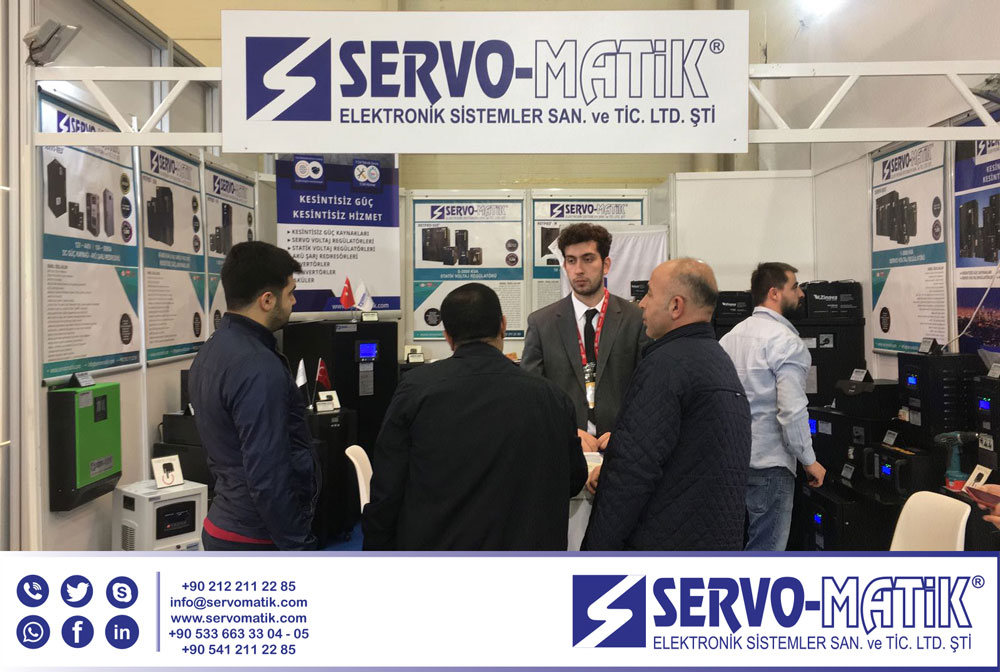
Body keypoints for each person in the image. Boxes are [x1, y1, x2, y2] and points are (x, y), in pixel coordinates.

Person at [363, 283, 587, 550]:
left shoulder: (415, 391)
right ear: (503, 326)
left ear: (448, 336)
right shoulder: (552, 398)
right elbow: (573, 479)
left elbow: (387, 488)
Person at [582, 259, 751, 551]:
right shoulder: (720, 362)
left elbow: (632, 475)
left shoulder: (664, 367)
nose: (642, 304)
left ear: (675, 306)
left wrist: (596, 553)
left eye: (649, 293)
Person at [189, 241, 319, 551]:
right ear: (267, 300)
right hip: (257, 536)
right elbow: (268, 472)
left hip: (226, 522)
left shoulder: (212, 350)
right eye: (290, 293)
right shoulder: (258, 367)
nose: (294, 301)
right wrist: (297, 546)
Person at [719, 262, 826, 552]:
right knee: (766, 553)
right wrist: (809, 460)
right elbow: (791, 410)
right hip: (770, 466)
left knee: (734, 545)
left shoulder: (730, 338)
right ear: (774, 293)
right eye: (795, 287)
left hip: (733, 462)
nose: (801, 294)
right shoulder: (787, 343)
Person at [521, 223, 648, 453]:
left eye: (588, 259)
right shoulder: (542, 323)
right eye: (571, 260)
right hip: (564, 447)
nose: (579, 269)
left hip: (622, 445)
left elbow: (648, 387)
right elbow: (532, 394)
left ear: (606, 264)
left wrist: (626, 430)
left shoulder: (636, 319)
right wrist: (566, 430)